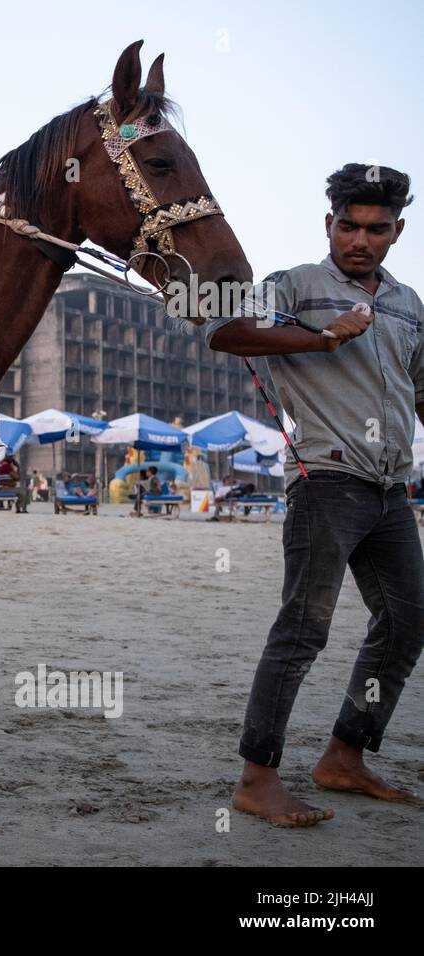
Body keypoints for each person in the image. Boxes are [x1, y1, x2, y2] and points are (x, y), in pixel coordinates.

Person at [206, 163, 423, 826]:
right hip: (324, 479)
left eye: (376, 229)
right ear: (328, 224)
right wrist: (320, 336)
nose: (360, 239)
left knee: (407, 620)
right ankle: (257, 778)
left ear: (397, 231)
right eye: (348, 226)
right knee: (303, 628)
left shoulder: (407, 304)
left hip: (391, 488)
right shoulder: (295, 286)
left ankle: (344, 756)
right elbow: (227, 333)